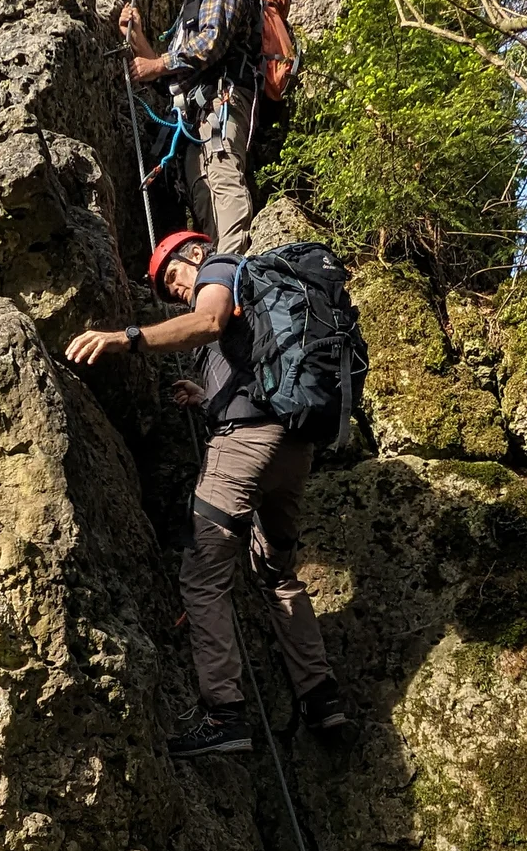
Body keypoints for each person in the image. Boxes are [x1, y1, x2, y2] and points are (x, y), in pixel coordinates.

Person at [66, 228, 351, 761]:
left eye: (173, 275)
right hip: (292, 448)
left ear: (193, 253)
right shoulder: (260, 291)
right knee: (277, 574)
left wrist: (128, 336)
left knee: (203, 575)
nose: (175, 289)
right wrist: (208, 397)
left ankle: (225, 714)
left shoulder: (219, 270)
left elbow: (209, 321)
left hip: (244, 446)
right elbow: (249, 361)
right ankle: (321, 696)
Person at [120, 0, 262, 257]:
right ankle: (216, 271)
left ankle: (233, 270)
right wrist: (139, 40)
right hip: (195, 119)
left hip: (224, 102)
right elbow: (169, 78)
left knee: (223, 177)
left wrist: (156, 63)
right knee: (201, 191)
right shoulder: (188, 12)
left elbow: (210, 44)